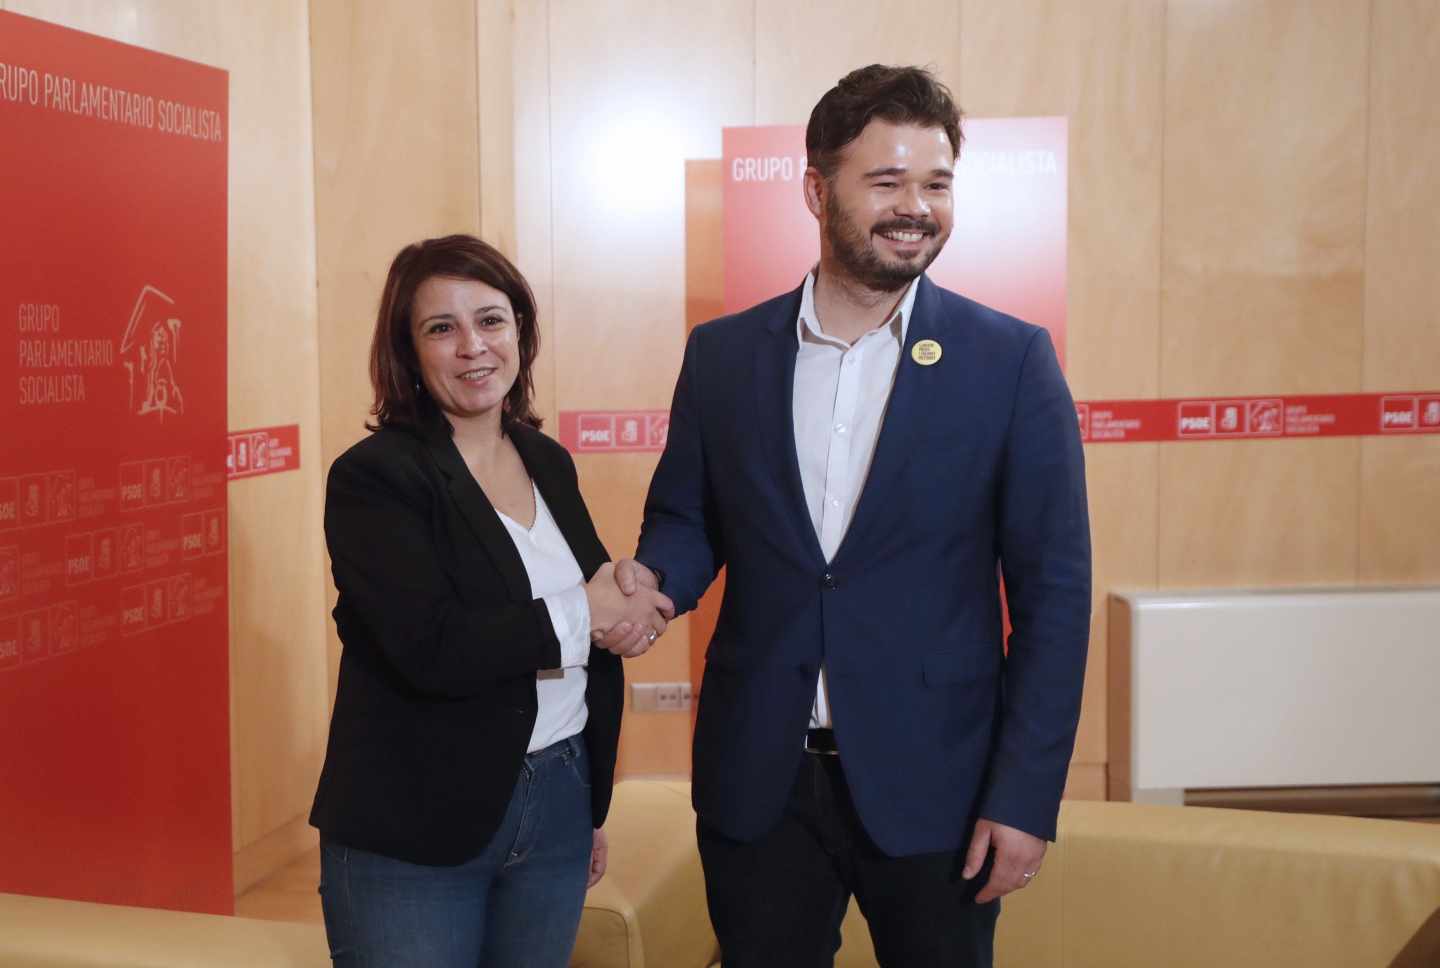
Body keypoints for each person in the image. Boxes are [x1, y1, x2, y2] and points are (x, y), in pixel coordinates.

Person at [601, 65, 1092, 966]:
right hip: (760, 780)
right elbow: (688, 517)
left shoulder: (1011, 361)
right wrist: (655, 584)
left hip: (942, 786)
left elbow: (1056, 598)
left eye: (936, 183)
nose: (917, 207)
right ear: (816, 189)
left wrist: (1025, 795)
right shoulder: (723, 356)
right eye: (887, 182)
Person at [310, 234, 674, 967]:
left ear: (521, 333)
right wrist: (588, 614)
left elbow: (588, 602)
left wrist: (629, 605)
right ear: (407, 351)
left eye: (491, 320)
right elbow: (432, 646)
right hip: (417, 821)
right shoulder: (375, 478)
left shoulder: (546, 458)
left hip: (559, 799)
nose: (473, 346)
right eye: (441, 328)